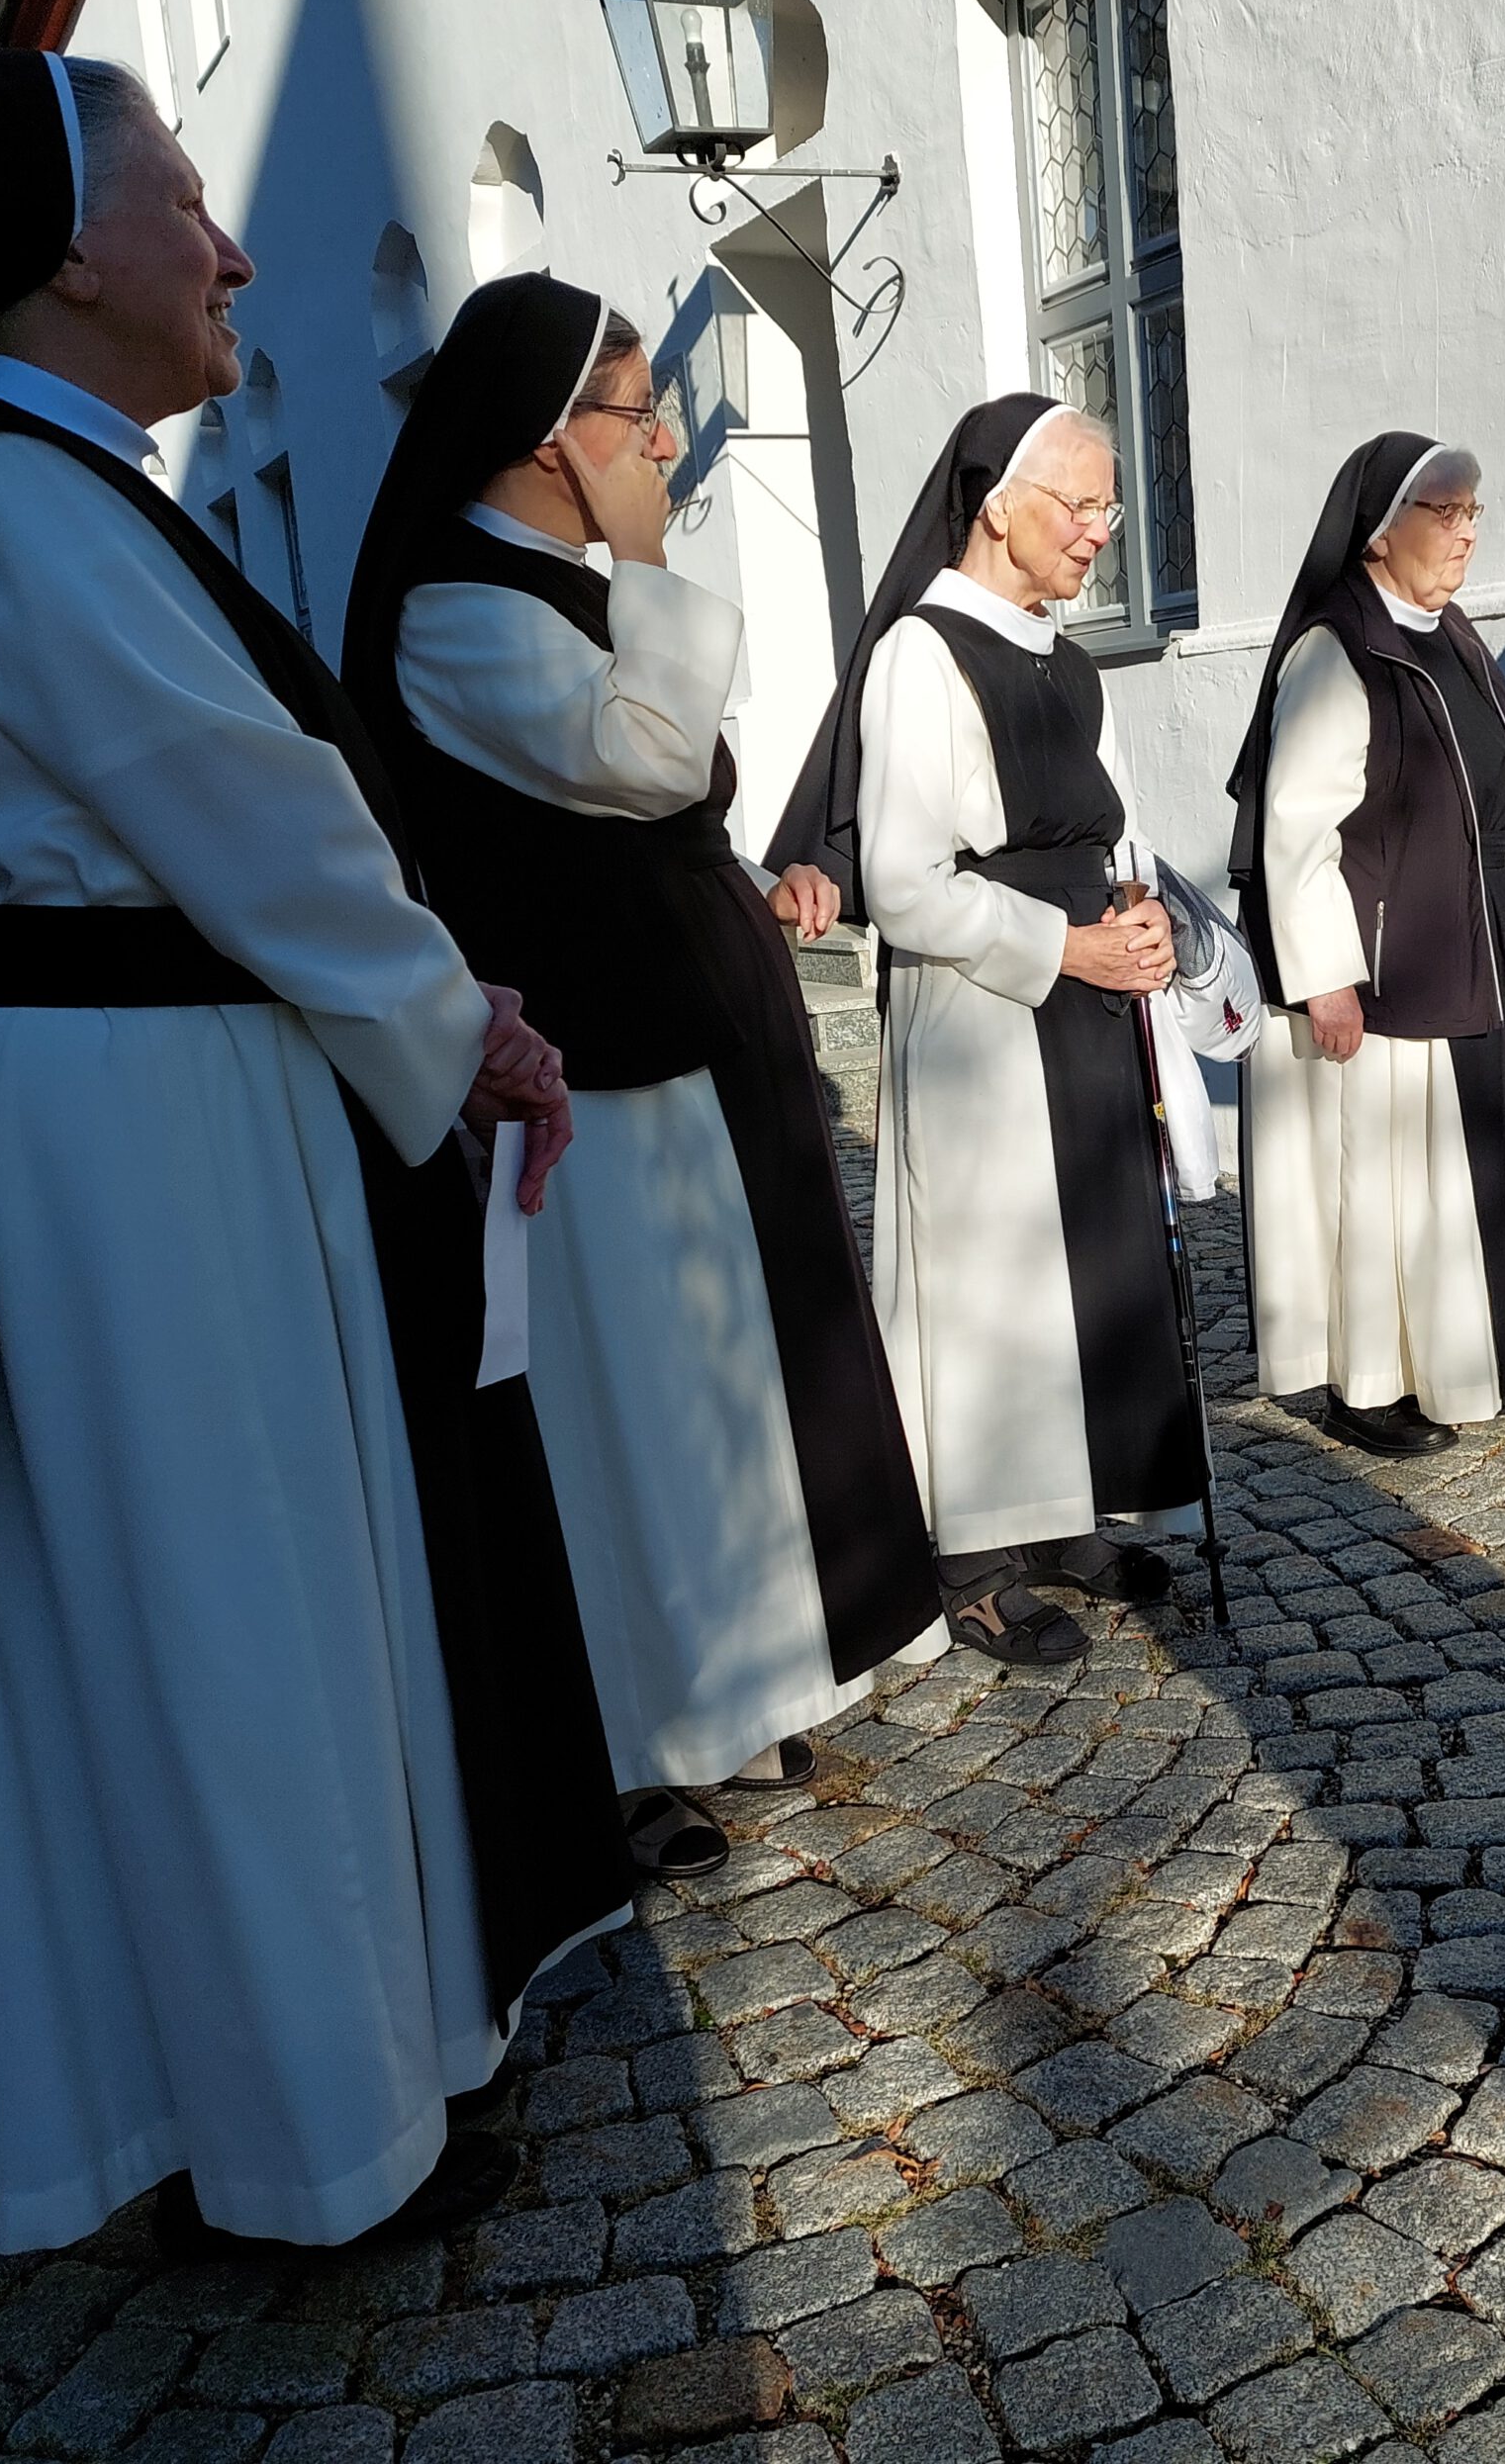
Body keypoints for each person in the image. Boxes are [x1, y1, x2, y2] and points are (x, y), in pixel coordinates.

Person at [0, 52, 629, 2254]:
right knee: (238, 1607)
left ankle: (240, 2096)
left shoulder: (53, 484)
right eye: (185, 200)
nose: (236, 249)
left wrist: (429, 1004)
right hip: (150, 1130)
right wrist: (461, 1027)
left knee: (185, 1608)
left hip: (163, 1094)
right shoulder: (20, 496)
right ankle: (315, 2141)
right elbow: (255, 812)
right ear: (66, 249)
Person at [341, 277, 944, 1880]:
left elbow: (666, 804)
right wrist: (655, 563)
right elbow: (646, 759)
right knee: (625, 1412)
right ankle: (626, 1743)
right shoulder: (457, 606)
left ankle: (742, 1689)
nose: (664, 442)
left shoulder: (555, 581)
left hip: (691, 1035)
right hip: (591, 1072)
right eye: (635, 414)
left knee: (725, 1391)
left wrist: (748, 883)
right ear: (550, 440)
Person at [764, 396, 1208, 1660]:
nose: (1100, 531)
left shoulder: (1070, 661)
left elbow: (1112, 834)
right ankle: (966, 1551)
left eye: (1109, 507)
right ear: (998, 504)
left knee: (1082, 1266)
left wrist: (1141, 916)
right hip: (981, 1012)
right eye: (1080, 504)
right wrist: (1064, 946)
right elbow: (902, 883)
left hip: (1086, 1001)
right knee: (987, 1279)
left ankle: (1060, 1513)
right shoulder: (921, 651)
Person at [1229, 434, 1505, 1452]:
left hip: (1484, 930)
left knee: (1479, 1161)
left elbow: (1503, 783)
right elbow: (1296, 828)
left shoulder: (1452, 633)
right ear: (1380, 532)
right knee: (1391, 1179)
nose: (1467, 532)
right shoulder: (1338, 651)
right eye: (1445, 511)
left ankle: (1473, 1353)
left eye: (1474, 512)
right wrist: (1325, 978)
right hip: (1391, 961)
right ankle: (1370, 1385)